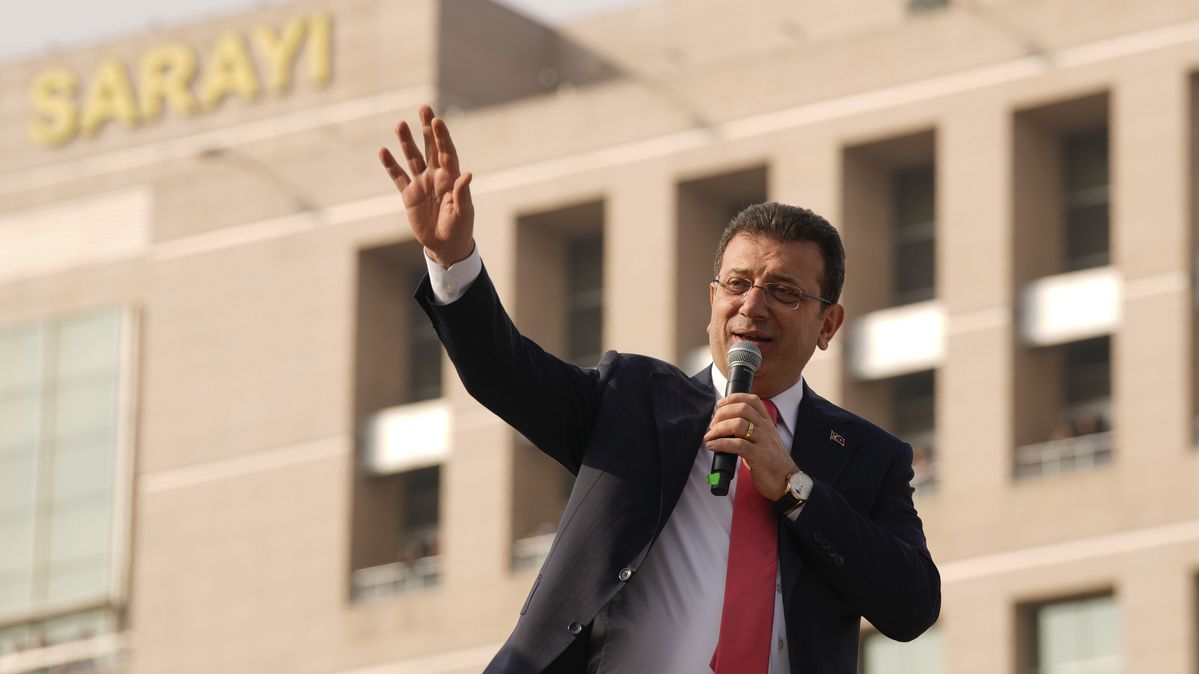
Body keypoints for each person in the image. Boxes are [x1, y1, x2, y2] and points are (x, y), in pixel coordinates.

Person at [378, 106, 940, 674]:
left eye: (783, 292)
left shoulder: (869, 457)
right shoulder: (634, 401)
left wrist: (794, 487)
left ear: (827, 325)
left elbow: (913, 606)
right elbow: (505, 373)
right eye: (738, 284)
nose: (751, 306)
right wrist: (451, 258)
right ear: (711, 301)